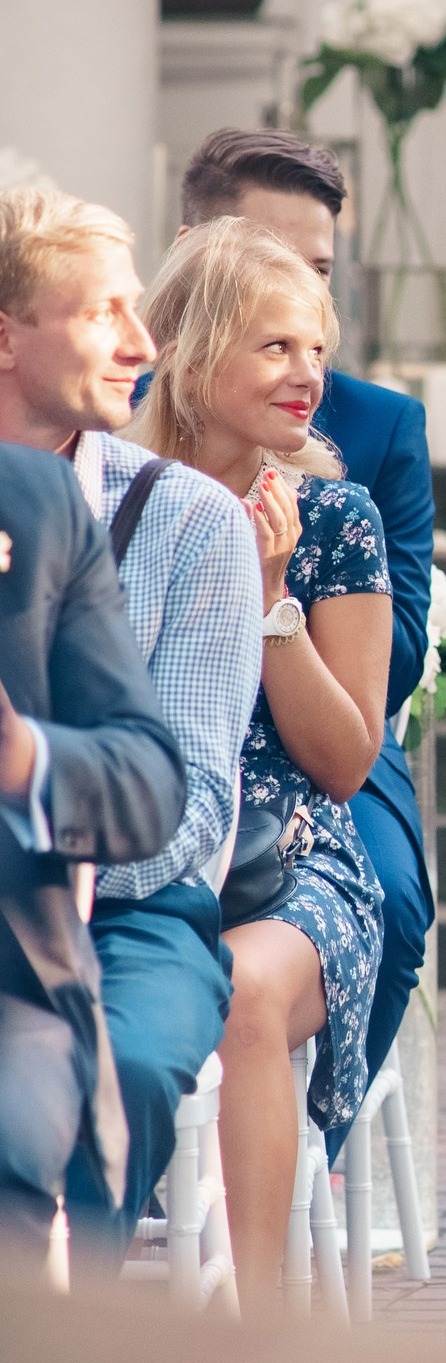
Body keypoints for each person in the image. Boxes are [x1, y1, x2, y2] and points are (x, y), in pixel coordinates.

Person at [124, 218, 390, 1309]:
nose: (309, 375)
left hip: (292, 864)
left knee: (236, 995)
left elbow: (344, 760)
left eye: (317, 349)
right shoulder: (112, 500)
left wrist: (273, 597)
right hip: (143, 843)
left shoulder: (334, 518)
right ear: (191, 354)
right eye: (276, 347)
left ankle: (263, 1324)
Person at [0, 187, 261, 1276]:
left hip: (137, 915)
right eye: (106, 313)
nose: (144, 346)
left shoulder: (189, 519)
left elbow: (190, 797)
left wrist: (32, 784)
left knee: (119, 1063)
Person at [178, 129, 433, 1166]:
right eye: (265, 262)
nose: (307, 368)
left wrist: (280, 600)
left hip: (313, 764)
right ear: (196, 255)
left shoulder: (366, 436)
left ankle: (287, 1155)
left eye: (316, 274)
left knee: (387, 888)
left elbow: (398, 654)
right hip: (150, 780)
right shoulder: (106, 439)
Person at [0, 443, 185, 1277]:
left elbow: (160, 788)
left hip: (61, 945)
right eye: (104, 310)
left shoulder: (30, 499)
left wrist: (23, 760)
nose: (138, 345)